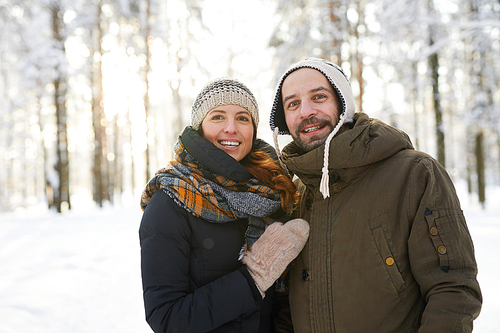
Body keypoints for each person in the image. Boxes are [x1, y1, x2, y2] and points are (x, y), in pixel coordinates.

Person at [269, 57, 482, 332]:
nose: (305, 111)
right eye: (293, 103)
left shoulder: (415, 175)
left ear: (342, 104)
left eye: (318, 97)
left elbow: (454, 290)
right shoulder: (296, 194)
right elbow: (288, 307)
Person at [139, 77, 310, 333]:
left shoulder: (272, 192)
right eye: (218, 117)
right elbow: (166, 318)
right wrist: (254, 277)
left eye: (243, 118)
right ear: (200, 127)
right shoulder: (172, 200)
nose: (231, 128)